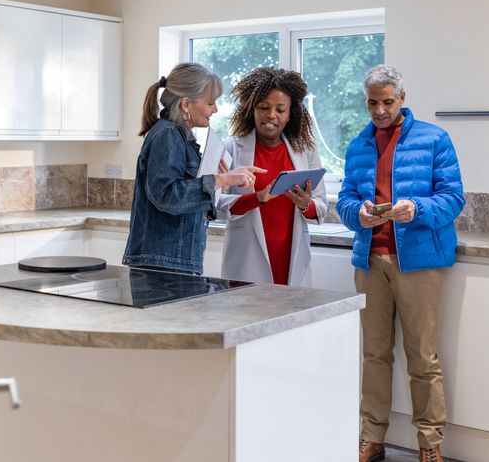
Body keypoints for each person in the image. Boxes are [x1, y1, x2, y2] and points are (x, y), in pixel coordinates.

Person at [336, 65, 464, 462]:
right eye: (372, 102)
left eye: (387, 102)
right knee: (374, 355)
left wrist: (416, 208)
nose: (379, 110)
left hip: (418, 261)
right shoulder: (358, 145)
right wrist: (359, 213)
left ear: (402, 99)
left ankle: (430, 444)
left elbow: (453, 198)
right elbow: (343, 200)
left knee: (422, 356)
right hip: (369, 260)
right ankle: (371, 439)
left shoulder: (434, 139)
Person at [122, 62, 262, 274]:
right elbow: (167, 196)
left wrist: (224, 177)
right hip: (163, 263)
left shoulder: (178, 135)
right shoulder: (167, 135)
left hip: (170, 260)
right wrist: (220, 180)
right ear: (186, 104)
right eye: (210, 103)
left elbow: (183, 192)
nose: (215, 110)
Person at [216, 67, 328, 286]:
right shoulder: (230, 149)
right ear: (251, 110)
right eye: (263, 107)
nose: (271, 115)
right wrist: (257, 198)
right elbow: (215, 203)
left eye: (280, 109)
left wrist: (306, 204)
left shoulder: (305, 151)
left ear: (289, 114)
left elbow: (321, 204)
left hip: (291, 258)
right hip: (246, 259)